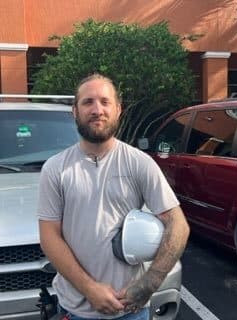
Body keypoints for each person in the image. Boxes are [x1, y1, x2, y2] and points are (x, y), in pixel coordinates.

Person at [37, 73, 190, 320]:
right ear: (74, 112)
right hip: (76, 310)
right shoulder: (55, 169)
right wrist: (90, 289)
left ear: (118, 109)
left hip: (130, 310)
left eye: (105, 102)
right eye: (88, 102)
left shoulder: (139, 163)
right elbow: (49, 236)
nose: (97, 110)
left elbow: (178, 224)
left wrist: (149, 283)